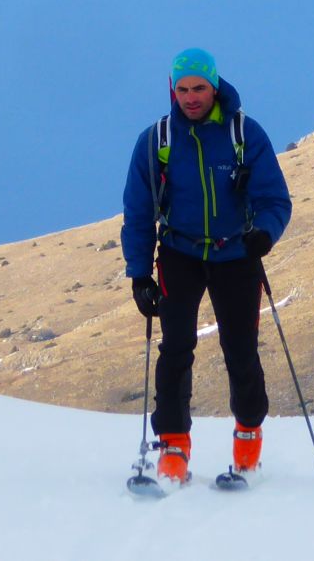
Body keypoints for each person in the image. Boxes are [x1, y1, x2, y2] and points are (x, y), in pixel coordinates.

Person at [121, 47, 292, 485]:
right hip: (178, 254)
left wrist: (264, 234)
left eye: (199, 88)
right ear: (172, 90)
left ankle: (248, 439)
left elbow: (275, 199)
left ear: (214, 87)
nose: (191, 97)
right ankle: (173, 448)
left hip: (237, 254)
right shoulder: (156, 141)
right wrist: (139, 273)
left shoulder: (243, 134)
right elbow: (138, 212)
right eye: (183, 89)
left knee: (240, 350)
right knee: (175, 349)